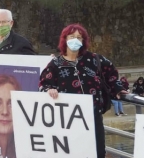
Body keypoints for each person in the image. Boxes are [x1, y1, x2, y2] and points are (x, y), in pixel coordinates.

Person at [39, 23, 126, 158]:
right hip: (69, 120)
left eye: (79, 37)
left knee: (98, 153)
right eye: (72, 36)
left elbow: (112, 74)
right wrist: (49, 90)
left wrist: (118, 89)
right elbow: (44, 84)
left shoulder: (94, 59)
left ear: (83, 41)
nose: (75, 40)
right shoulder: (55, 64)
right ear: (65, 39)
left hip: (93, 116)